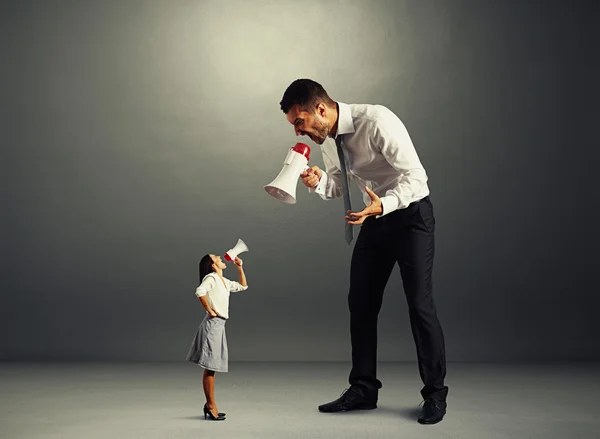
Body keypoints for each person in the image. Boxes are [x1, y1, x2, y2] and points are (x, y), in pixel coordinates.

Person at [279, 79, 449, 424]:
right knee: (361, 302)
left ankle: (435, 395)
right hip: (374, 218)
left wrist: (383, 205)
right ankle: (363, 389)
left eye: (300, 122)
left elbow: (417, 178)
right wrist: (318, 183)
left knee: (419, 304)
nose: (299, 131)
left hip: (411, 215)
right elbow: (339, 186)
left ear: (320, 109)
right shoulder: (327, 139)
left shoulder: (376, 121)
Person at [186, 253, 248, 421]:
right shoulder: (211, 278)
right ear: (213, 266)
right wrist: (209, 309)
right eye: (218, 258)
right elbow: (200, 291)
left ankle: (210, 405)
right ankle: (211, 405)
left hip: (219, 326)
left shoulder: (223, 281)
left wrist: (239, 267)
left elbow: (243, 286)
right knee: (210, 367)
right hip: (213, 326)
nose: (221, 259)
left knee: (212, 367)